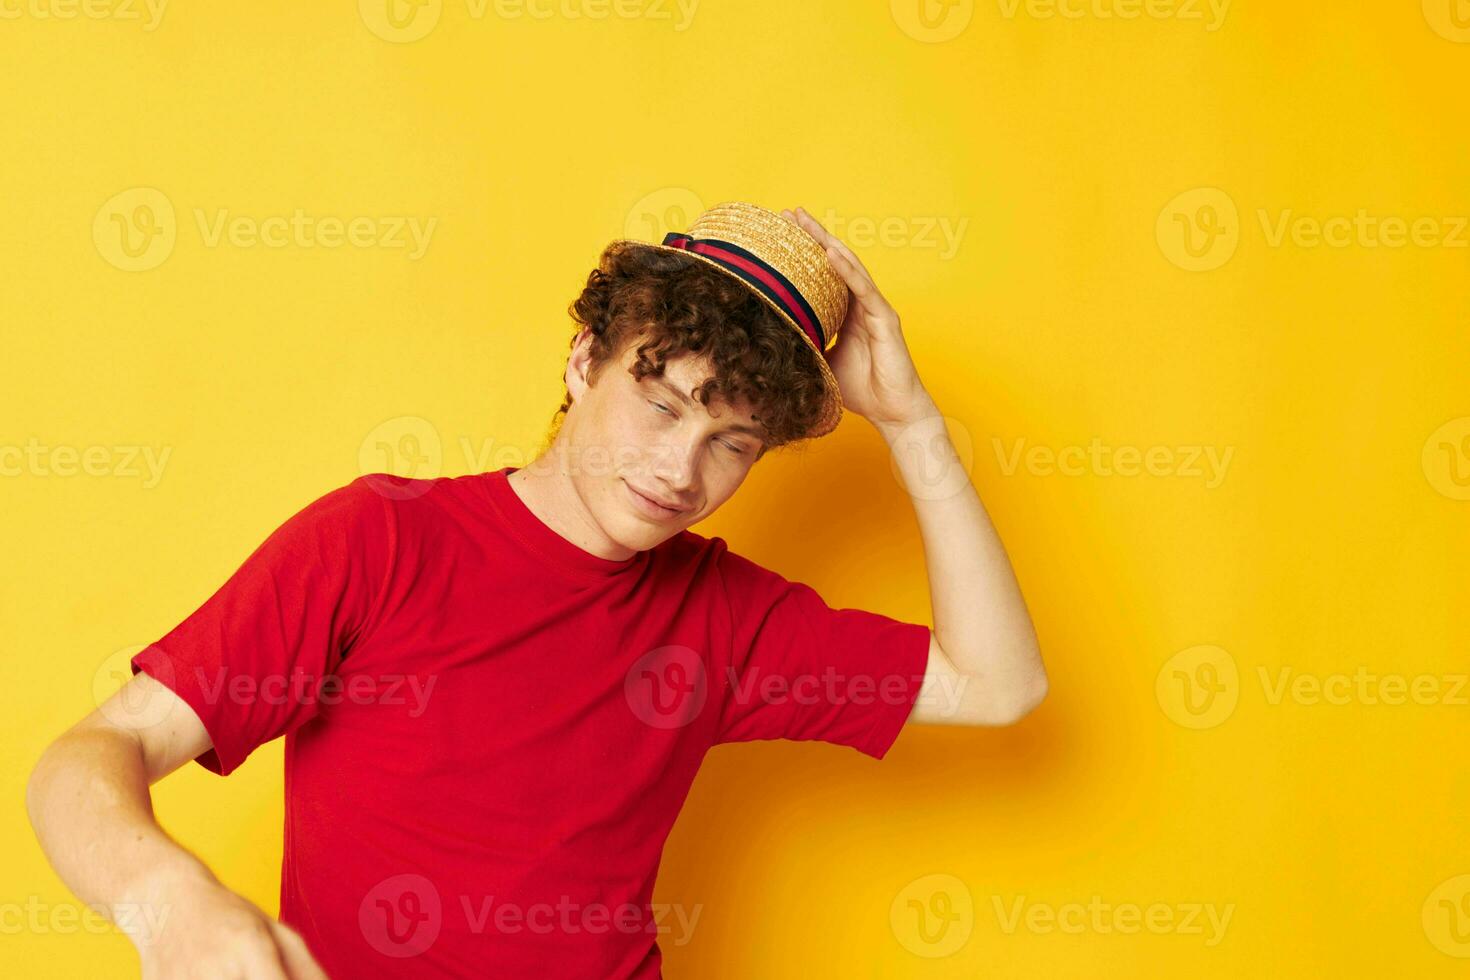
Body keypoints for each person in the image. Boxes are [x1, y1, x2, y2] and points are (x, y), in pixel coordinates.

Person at [26, 202, 1047, 978]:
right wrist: (167, 897)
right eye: (659, 404)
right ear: (582, 360)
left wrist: (912, 425)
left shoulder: (724, 615)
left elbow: (996, 682)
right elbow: (87, 755)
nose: (679, 471)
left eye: (729, 440)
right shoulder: (381, 539)